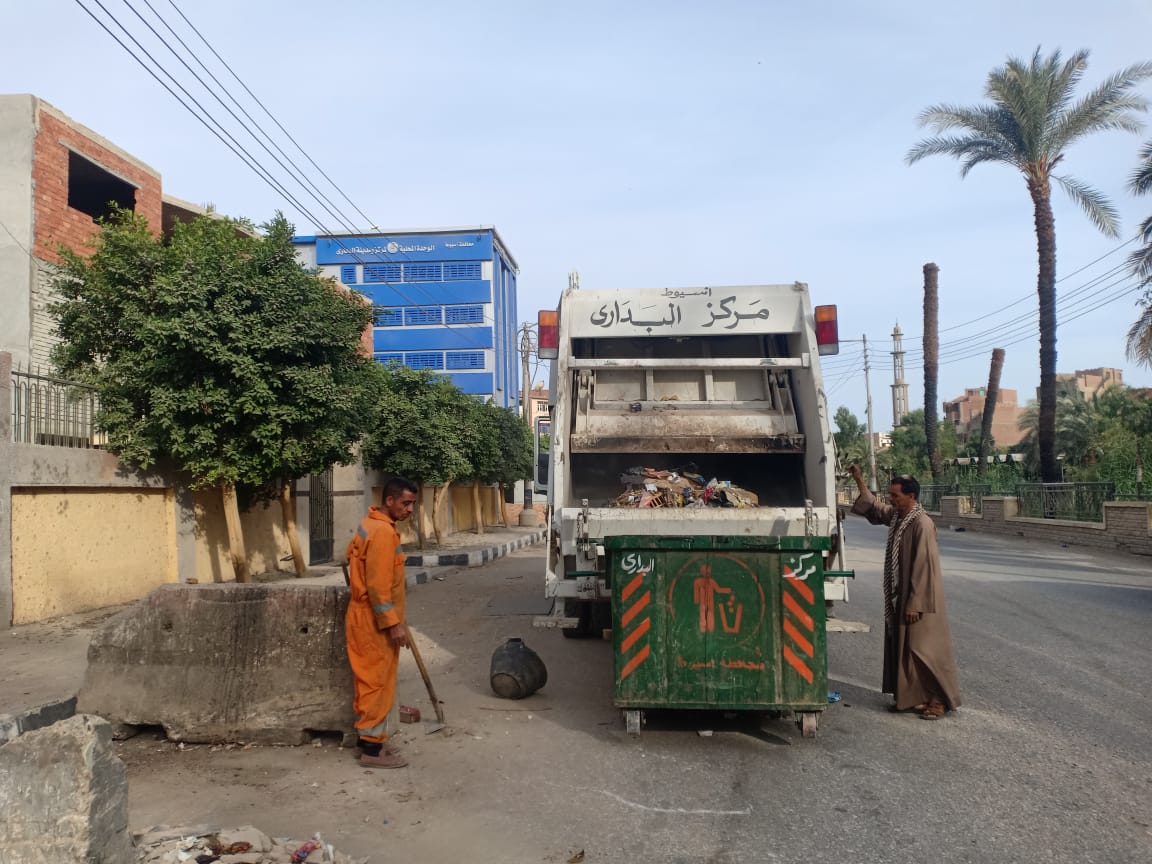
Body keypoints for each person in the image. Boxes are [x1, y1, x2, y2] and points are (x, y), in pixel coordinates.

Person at [847, 464, 962, 719]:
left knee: (925, 650)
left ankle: (940, 700)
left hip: (921, 601)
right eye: (890, 494)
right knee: (907, 648)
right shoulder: (900, 517)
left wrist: (915, 603)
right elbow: (875, 509)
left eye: (895, 495)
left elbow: (924, 567)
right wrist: (859, 480)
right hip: (905, 596)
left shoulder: (922, 523)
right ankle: (915, 697)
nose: (891, 499)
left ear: (911, 496)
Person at [345, 476, 419, 768]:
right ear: (389, 500)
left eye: (412, 504)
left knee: (371, 681)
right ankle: (372, 752)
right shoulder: (383, 534)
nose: (409, 509)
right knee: (376, 683)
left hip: (364, 616)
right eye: (406, 503)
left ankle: (369, 741)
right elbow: (378, 587)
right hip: (373, 622)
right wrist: (393, 624)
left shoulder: (371, 524)